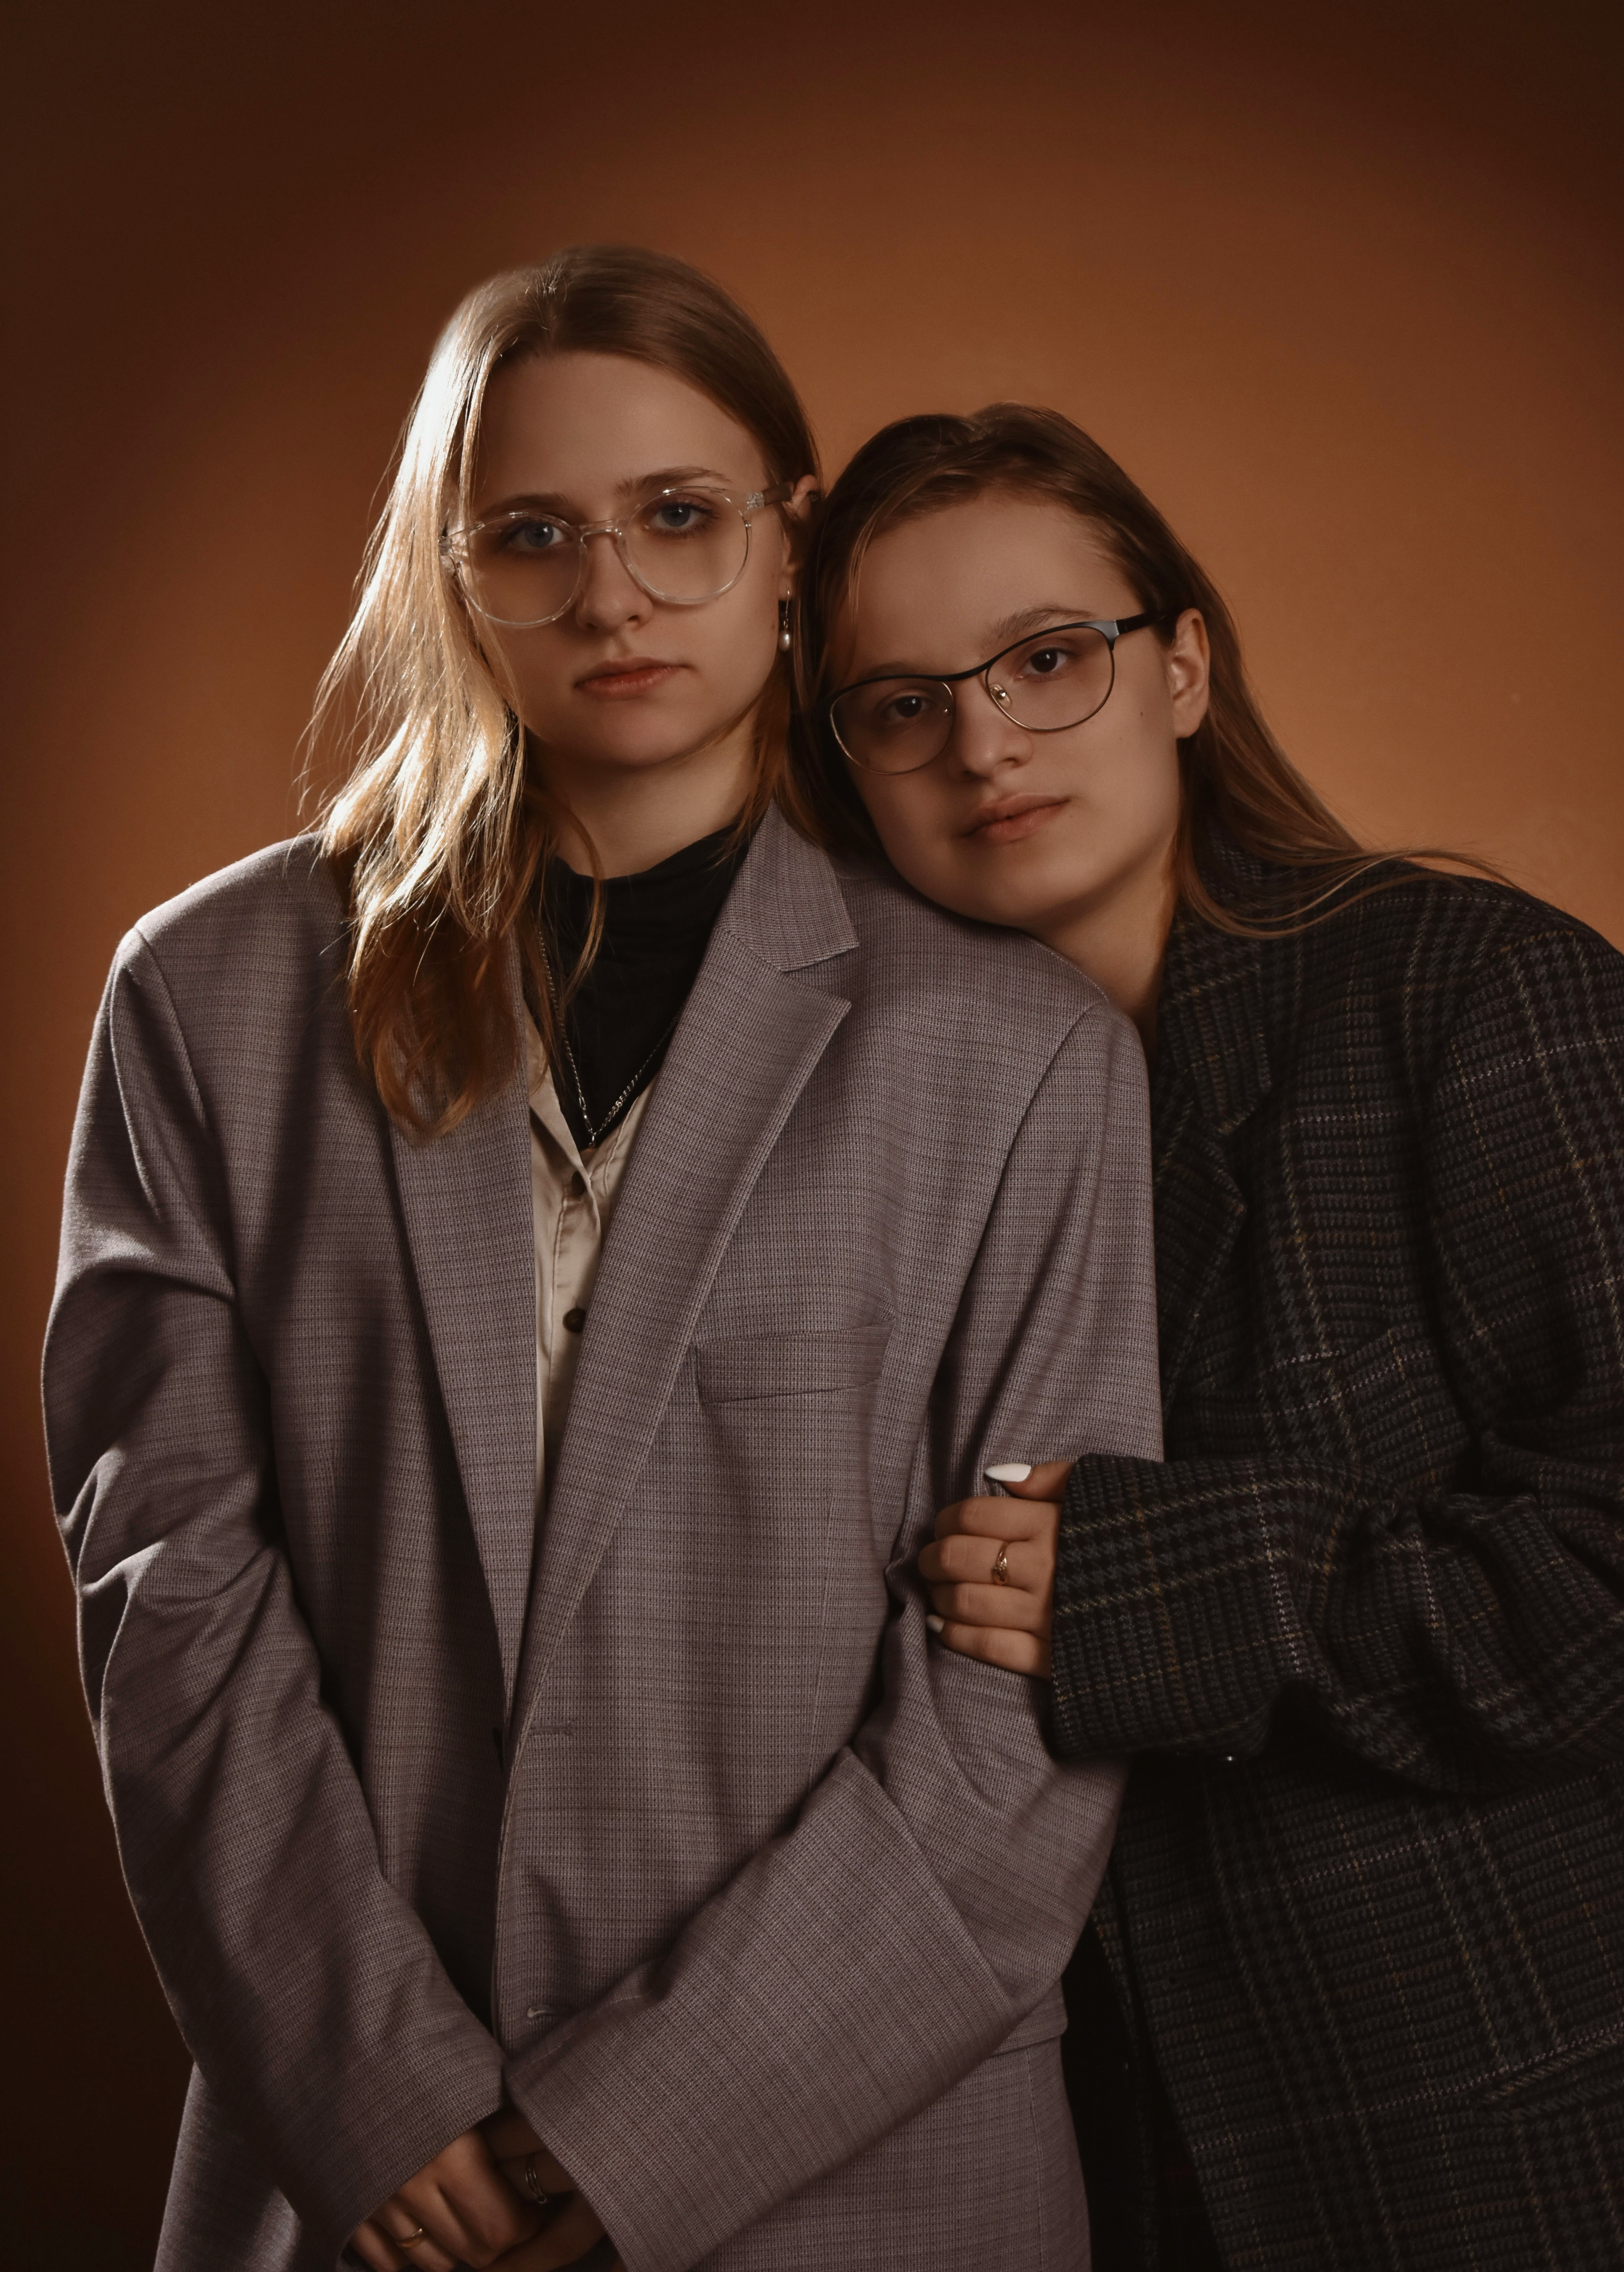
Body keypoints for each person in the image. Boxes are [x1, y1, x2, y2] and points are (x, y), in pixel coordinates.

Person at [45, 257, 1163, 2272]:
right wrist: (372, 2089)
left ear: (789, 542)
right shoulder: (208, 1000)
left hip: (872, 2166)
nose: (613, 596)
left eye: (677, 517)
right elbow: (170, 1598)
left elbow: (1016, 1711)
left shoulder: (1019, 1053)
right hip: (372, 2175)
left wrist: (636, 2128)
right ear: (445, 569)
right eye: (532, 536)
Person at [790, 402, 1624, 2272]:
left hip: (1500, 2135)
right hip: (1087, 2168)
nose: (981, 742)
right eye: (902, 704)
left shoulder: (1470, 996)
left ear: (1179, 667)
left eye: (1045, 659)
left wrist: (1182, 1584)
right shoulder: (878, 1146)